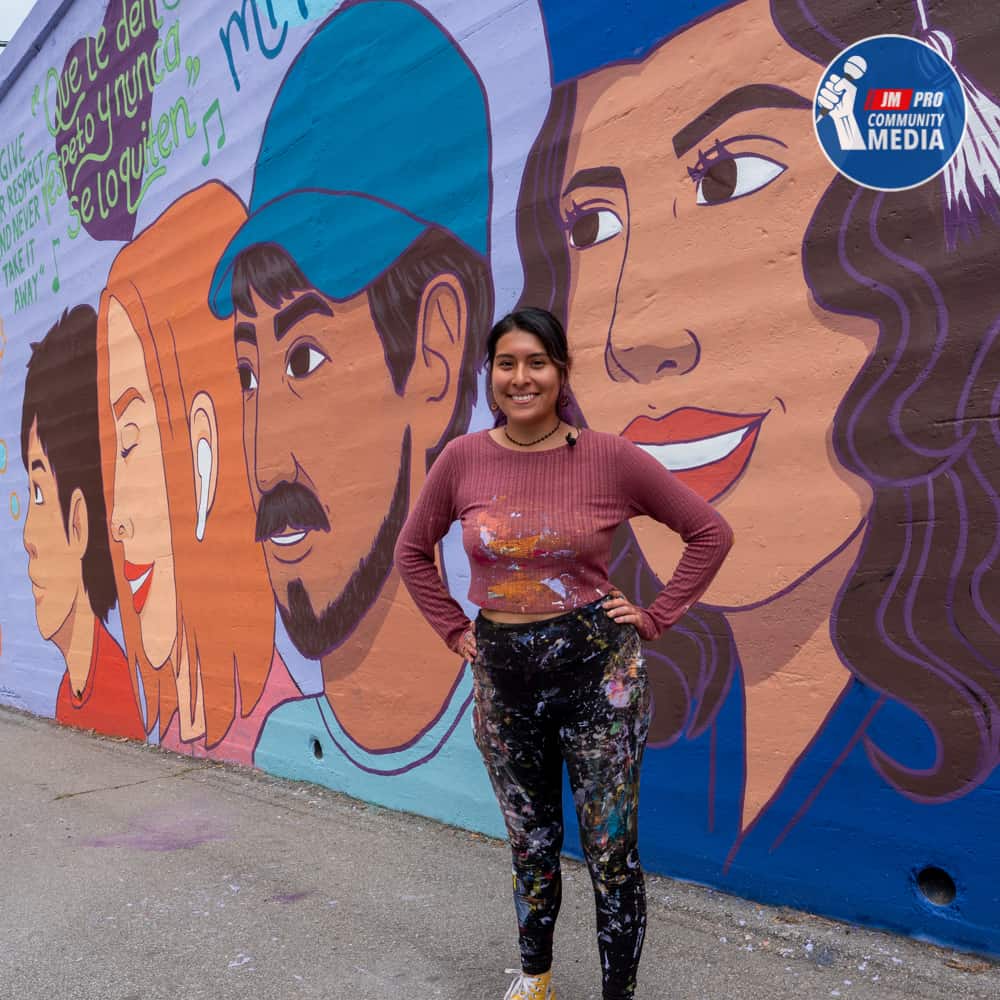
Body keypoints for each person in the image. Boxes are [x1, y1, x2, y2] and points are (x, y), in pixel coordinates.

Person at [517, 0, 1000, 954]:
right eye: (595, 224)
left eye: (732, 174)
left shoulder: (905, 704)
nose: (632, 335)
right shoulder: (702, 710)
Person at [207, 0, 498, 824]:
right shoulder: (272, 746)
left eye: (305, 358)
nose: (263, 461)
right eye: (247, 374)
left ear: (437, 352)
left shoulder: (508, 754)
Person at [395, 306, 733, 1000]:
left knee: (610, 853)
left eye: (537, 363)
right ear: (491, 377)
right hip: (503, 678)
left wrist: (656, 615)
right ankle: (536, 973)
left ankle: (618, 992)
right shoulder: (462, 459)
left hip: (597, 679)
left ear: (560, 373)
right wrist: (455, 629)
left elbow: (709, 532)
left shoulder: (608, 456)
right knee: (531, 843)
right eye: (508, 364)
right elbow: (410, 551)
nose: (522, 378)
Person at [96, 182, 295, 763]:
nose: (117, 523)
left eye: (129, 445)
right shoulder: (174, 726)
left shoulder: (276, 728)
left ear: (203, 448)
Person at [20, 305, 144, 739]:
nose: (25, 539)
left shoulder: (122, 703)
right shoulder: (69, 694)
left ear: (78, 521)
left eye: (39, 491)